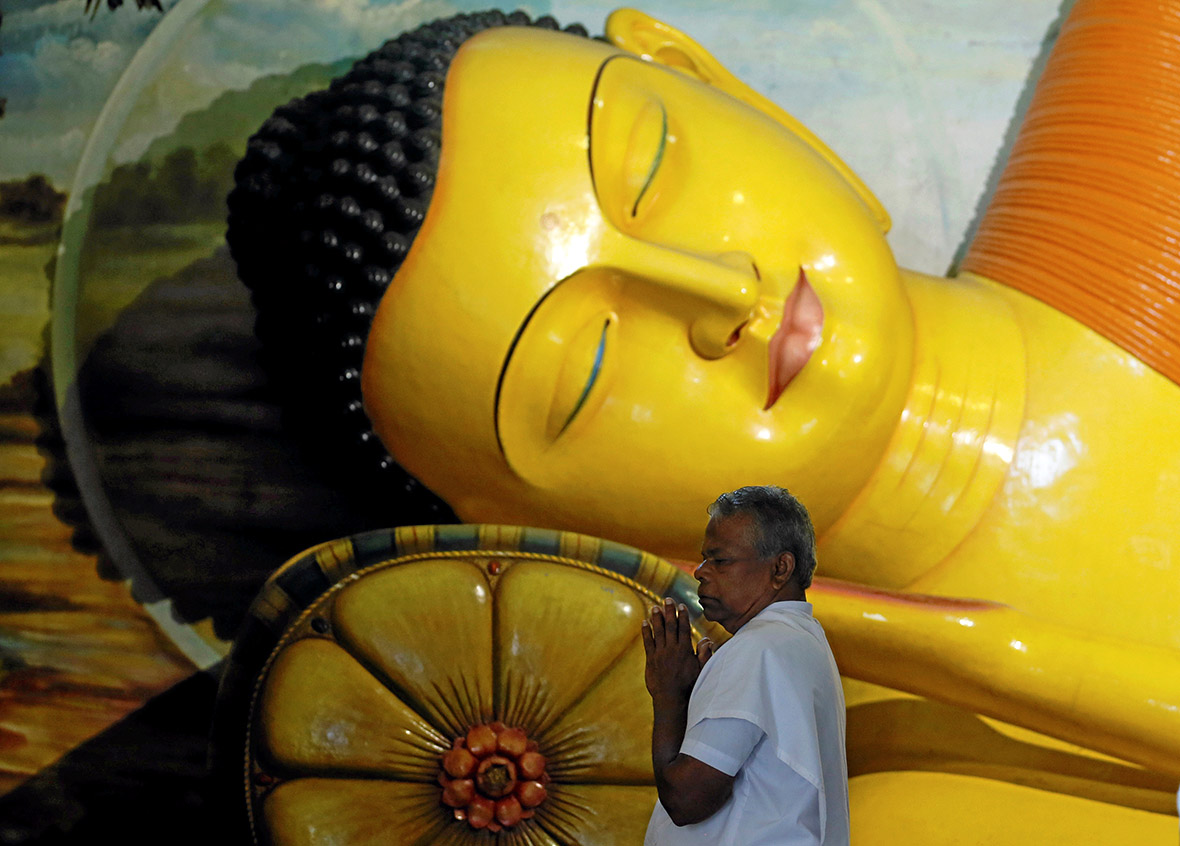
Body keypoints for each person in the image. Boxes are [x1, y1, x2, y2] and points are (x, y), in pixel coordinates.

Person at [228, 4, 1180, 838]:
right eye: (585, 376)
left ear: (705, 77)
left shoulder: (1149, 96)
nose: (720, 290)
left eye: (650, 163)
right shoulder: (928, 810)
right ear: (566, 546)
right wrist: (980, 658)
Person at [641, 486, 848, 845]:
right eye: (704, 559)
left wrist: (669, 697)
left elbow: (687, 800)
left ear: (780, 569)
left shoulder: (757, 648)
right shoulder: (801, 641)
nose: (700, 572)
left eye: (720, 560)